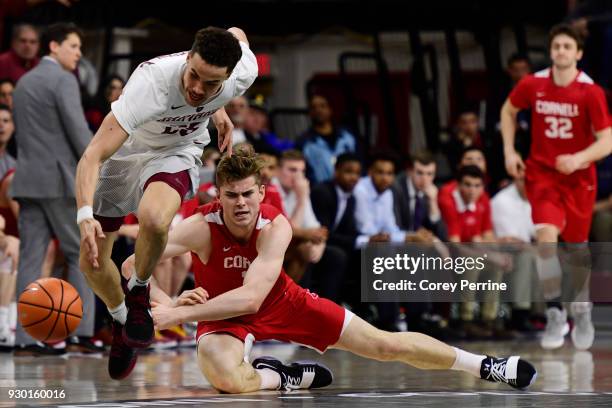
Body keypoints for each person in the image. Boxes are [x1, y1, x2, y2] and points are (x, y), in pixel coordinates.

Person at [121, 149, 537, 393]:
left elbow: (251, 296)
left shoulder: (275, 226)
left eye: (249, 193)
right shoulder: (200, 227)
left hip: (280, 301)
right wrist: (165, 300)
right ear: (220, 196)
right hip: (221, 317)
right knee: (226, 380)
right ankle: (277, 376)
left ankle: (485, 365)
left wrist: (177, 315)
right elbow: (130, 263)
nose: (242, 203)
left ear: (262, 193)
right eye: (232, 195)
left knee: (384, 345)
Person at [75, 26, 258, 380]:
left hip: (175, 151)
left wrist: (216, 109)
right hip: (124, 155)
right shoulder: (152, 84)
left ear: (229, 78)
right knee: (92, 261)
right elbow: (92, 155)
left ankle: (139, 291)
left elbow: (236, 32)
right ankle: (121, 321)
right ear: (186, 59)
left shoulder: (243, 72)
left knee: (156, 220)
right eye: (193, 76)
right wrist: (84, 215)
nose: (196, 89)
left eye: (210, 85)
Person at [501, 23, 612, 350]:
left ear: (578, 53)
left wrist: (579, 158)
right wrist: (510, 150)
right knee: (546, 238)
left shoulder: (590, 91)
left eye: (567, 46)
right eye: (556, 46)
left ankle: (581, 308)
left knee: (576, 249)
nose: (561, 51)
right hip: (543, 174)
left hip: (578, 178)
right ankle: (553, 312)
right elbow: (508, 111)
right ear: (551, 51)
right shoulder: (532, 84)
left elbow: (607, 140)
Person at [10, 23, 99, 356]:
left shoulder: (23, 82)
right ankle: (82, 331)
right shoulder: (63, 79)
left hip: (28, 180)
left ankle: (26, 336)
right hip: (59, 181)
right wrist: (99, 164)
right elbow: (78, 132)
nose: (78, 54)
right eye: (73, 46)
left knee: (31, 260)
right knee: (81, 253)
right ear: (54, 46)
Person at [298, 94, 359, 184]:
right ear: (309, 113)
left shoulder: (347, 136)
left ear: (330, 109)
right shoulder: (303, 142)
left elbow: (360, 162)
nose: (318, 110)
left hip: (349, 189)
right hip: (319, 192)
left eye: (322, 106)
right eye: (313, 107)